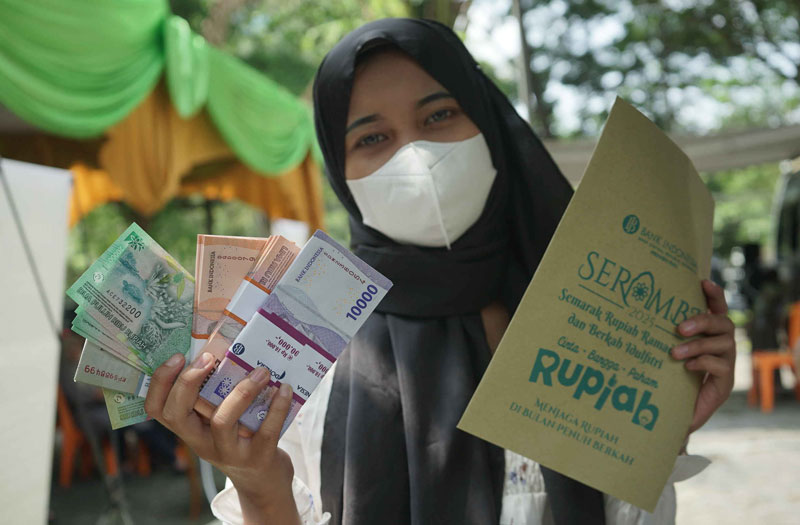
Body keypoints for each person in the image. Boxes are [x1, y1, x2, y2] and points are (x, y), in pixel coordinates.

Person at [144, 18, 736, 525]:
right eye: (373, 137)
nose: (415, 156)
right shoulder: (305, 348)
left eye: (439, 115)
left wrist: (660, 431)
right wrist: (257, 482)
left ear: (489, 124)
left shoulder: (590, 304)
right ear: (340, 173)